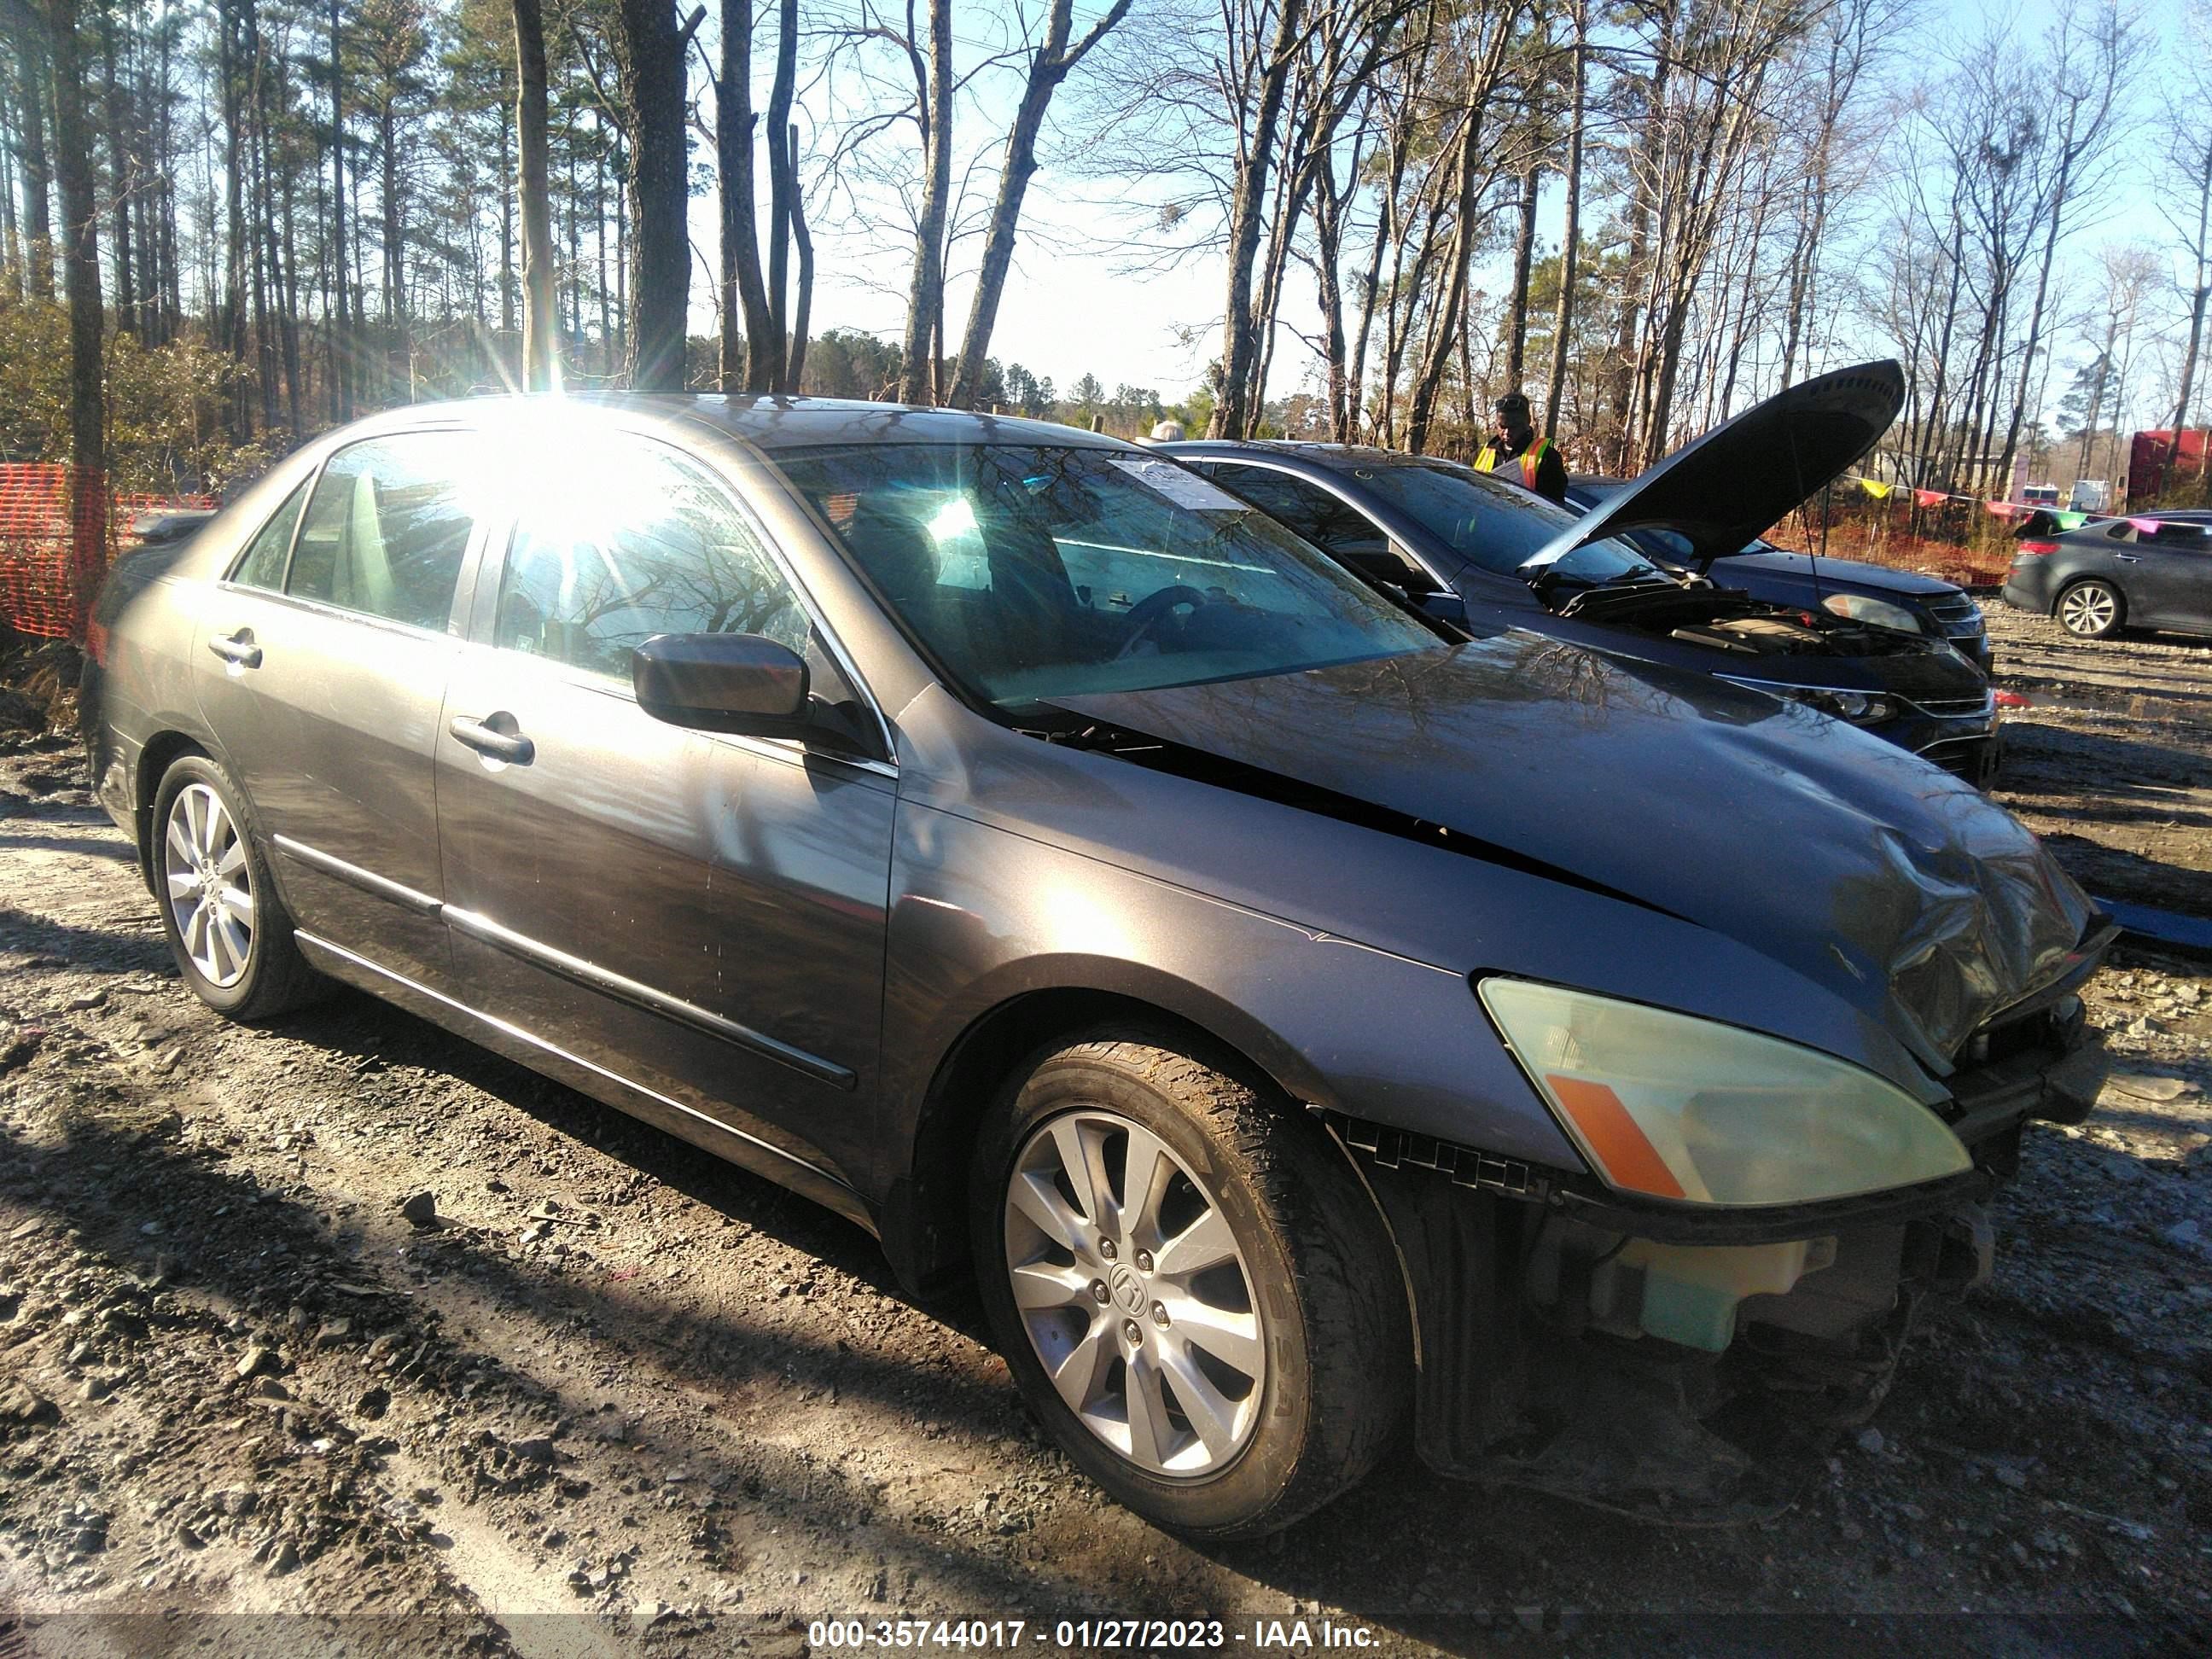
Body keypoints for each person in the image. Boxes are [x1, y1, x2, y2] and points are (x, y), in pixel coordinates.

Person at [1474, 391, 1568, 505]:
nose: (1507, 433)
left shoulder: (1547, 457)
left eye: (1513, 427)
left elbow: (1556, 505)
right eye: (1502, 427)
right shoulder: (1481, 454)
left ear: (1527, 423)